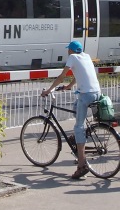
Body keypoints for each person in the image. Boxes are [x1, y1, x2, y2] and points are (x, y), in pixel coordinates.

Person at [41, 40, 102, 180]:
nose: (67, 51)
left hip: (86, 95)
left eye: (68, 49)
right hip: (97, 92)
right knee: (76, 107)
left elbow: (62, 76)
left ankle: (82, 165)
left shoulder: (72, 57)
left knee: (78, 127)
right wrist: (68, 87)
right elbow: (78, 75)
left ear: (71, 50)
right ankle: (80, 136)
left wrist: (49, 90)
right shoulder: (86, 56)